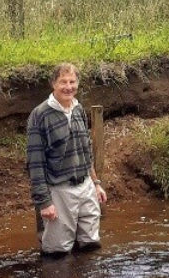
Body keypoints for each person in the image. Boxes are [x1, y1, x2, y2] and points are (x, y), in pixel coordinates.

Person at [27, 63, 108, 256]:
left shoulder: (78, 109)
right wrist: (44, 202)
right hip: (59, 189)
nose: (68, 87)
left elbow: (86, 150)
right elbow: (35, 163)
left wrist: (96, 183)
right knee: (57, 253)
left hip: (86, 187)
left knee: (91, 246)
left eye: (72, 82)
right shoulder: (39, 115)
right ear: (53, 84)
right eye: (63, 82)